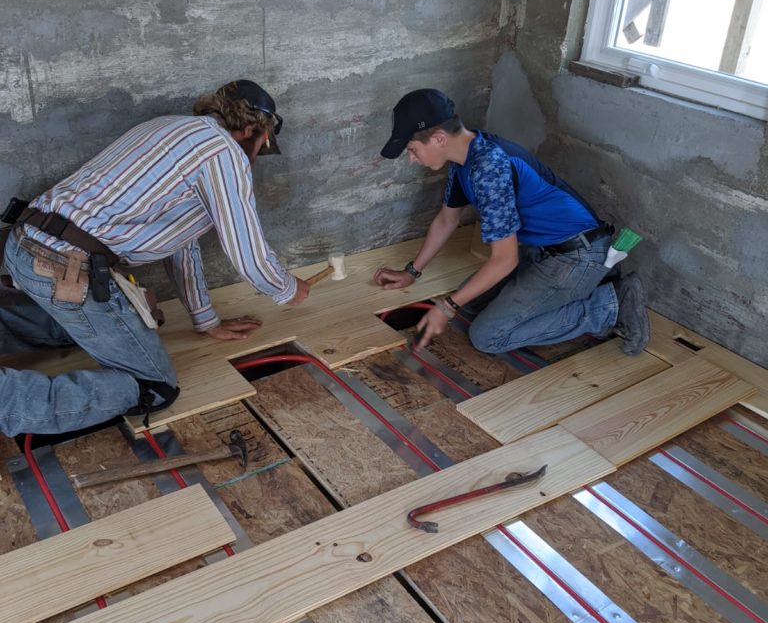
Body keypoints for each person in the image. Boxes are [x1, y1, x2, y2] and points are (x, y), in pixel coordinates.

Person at [0, 79, 309, 437]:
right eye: (260, 149)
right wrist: (287, 289)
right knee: (154, 387)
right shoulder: (223, 151)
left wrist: (205, 320)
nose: (253, 160)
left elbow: (179, 242)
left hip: (24, 247)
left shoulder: (169, 128)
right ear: (254, 131)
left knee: (87, 327)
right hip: (63, 270)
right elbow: (248, 254)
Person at [374, 88, 649, 355]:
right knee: (471, 301)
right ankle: (586, 289)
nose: (412, 159)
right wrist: (412, 271)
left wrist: (446, 308)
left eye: (412, 149)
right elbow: (447, 220)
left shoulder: (489, 168)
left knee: (488, 336)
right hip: (544, 251)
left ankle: (610, 305)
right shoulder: (464, 159)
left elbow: (505, 260)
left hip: (577, 256)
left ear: (438, 138)